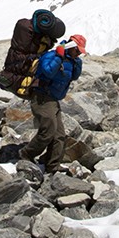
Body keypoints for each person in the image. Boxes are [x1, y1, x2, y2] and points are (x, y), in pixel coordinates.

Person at [17, 34, 86, 179]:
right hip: (41, 97)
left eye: (80, 51)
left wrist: (77, 62)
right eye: (77, 50)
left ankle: (52, 165)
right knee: (48, 131)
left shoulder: (72, 61)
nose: (79, 53)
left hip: (53, 100)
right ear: (71, 47)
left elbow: (74, 76)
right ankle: (26, 154)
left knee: (59, 135)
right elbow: (47, 71)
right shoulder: (52, 55)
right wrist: (59, 57)